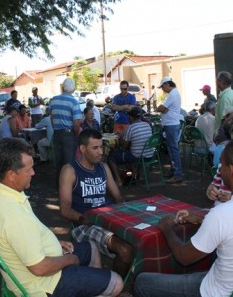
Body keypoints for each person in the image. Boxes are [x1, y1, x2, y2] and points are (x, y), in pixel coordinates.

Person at [0, 138, 124, 297]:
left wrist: (55, 242)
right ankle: (92, 286)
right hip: (44, 285)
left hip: (37, 264)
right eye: (29, 169)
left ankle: (90, 288)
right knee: (116, 283)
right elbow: (40, 268)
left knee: (92, 248)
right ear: (11, 175)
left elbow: (23, 235)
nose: (33, 173)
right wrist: (70, 260)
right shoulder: (12, 213)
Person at [134, 141, 233, 297]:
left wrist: (166, 227)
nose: (220, 168)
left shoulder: (222, 213)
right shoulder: (222, 213)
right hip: (225, 279)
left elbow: (184, 257)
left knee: (142, 281)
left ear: (231, 169)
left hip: (216, 291)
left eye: (222, 164)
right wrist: (201, 219)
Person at [59, 129, 133, 279]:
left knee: (139, 239)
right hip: (84, 225)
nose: (101, 152)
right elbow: (65, 210)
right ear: (82, 149)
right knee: (125, 250)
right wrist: (89, 219)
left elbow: (118, 197)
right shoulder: (70, 170)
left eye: (101, 147)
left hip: (108, 219)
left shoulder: (104, 168)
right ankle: (113, 287)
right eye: (95, 148)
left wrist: (126, 215)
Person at [108, 107, 153, 186]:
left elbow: (124, 146)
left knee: (111, 157)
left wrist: (121, 138)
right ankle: (135, 175)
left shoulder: (131, 128)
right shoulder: (147, 125)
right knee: (131, 151)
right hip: (150, 155)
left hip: (137, 156)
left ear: (132, 117)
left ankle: (118, 181)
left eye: (129, 116)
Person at [49, 77, 82, 181]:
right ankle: (68, 187)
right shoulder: (74, 102)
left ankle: (59, 185)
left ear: (63, 87)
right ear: (73, 89)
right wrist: (76, 134)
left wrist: (56, 128)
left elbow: (51, 117)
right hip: (69, 134)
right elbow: (76, 122)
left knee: (59, 162)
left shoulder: (54, 100)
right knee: (69, 163)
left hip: (57, 133)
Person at [156, 77, 183, 183]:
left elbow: (161, 108)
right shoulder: (173, 93)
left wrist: (162, 108)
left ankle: (177, 174)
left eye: (162, 86)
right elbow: (163, 108)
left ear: (167, 84)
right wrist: (163, 109)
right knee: (172, 150)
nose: (162, 89)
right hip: (171, 124)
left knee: (173, 150)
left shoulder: (173, 94)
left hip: (171, 124)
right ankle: (174, 171)